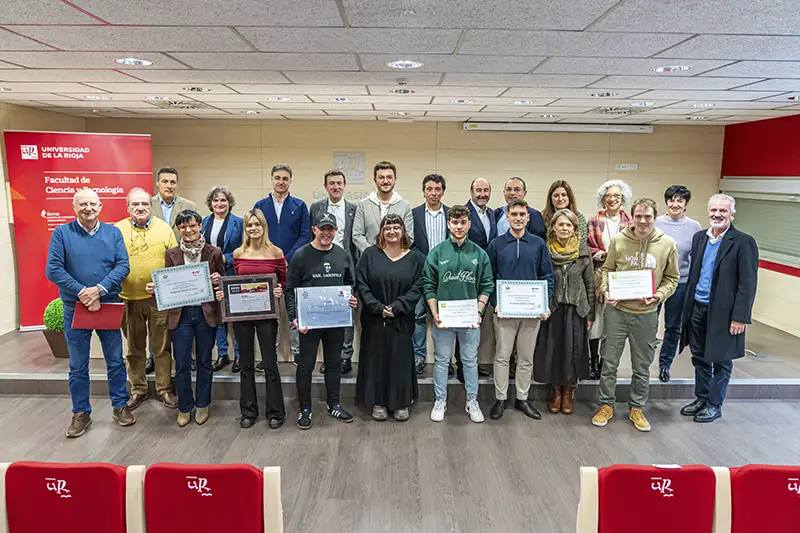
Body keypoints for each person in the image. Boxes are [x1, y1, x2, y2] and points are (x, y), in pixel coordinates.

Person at [45, 188, 134, 438]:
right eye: (82, 204)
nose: (88, 208)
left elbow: (123, 265)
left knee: (115, 360)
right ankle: (81, 413)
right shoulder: (62, 233)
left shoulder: (113, 232)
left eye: (93, 204)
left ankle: (120, 405)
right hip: (75, 308)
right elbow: (53, 269)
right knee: (78, 365)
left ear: (100, 206)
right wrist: (83, 292)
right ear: (74, 208)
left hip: (108, 304)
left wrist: (100, 289)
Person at [592, 198, 679, 432]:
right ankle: (606, 405)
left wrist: (658, 296)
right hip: (617, 312)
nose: (642, 220)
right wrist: (607, 290)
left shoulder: (667, 244)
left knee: (642, 366)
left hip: (647, 314)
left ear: (654, 217)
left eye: (647, 216)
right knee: (609, 363)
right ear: (631, 217)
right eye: (638, 216)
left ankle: (637, 408)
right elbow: (608, 269)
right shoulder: (620, 240)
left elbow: (672, 278)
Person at [679, 195, 758, 423]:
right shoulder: (699, 238)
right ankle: (702, 398)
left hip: (724, 314)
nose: (717, 214)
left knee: (722, 361)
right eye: (713, 209)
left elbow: (748, 283)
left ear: (732, 215)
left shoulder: (743, 242)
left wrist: (740, 317)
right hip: (697, 308)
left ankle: (715, 404)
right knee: (699, 357)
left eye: (723, 210)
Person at [146, 210, 225, 427]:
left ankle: (202, 404)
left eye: (192, 226)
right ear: (179, 230)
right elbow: (169, 284)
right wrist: (156, 289)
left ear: (200, 225)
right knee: (181, 363)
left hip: (204, 313)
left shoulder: (214, 252)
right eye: (183, 227)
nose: (188, 230)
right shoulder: (171, 253)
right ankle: (185, 406)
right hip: (179, 315)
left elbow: (223, 281)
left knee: (204, 362)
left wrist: (220, 280)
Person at [285, 211, 358, 430]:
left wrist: (352, 300)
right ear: (314, 230)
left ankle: (334, 404)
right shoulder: (301, 255)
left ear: (336, 231)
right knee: (305, 365)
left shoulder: (343, 255)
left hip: (334, 321)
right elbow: (290, 290)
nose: (326, 233)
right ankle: (305, 409)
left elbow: (350, 285)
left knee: (334, 363)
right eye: (322, 228)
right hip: (309, 322)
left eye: (330, 229)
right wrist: (294, 318)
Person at [423, 205, 493, 424]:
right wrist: (434, 313)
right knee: (442, 361)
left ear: (469, 224)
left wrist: (479, 311)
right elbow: (428, 284)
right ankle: (440, 400)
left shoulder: (479, 254)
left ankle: (472, 401)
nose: (459, 226)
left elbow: (487, 285)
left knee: (470, 360)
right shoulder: (437, 252)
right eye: (455, 222)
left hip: (470, 319)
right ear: (448, 224)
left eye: (463, 222)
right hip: (443, 320)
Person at [487, 200, 553, 421]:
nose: (517, 217)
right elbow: (489, 278)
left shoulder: (538, 244)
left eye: (521, 214)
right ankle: (500, 398)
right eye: (513, 214)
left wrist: (545, 304)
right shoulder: (496, 244)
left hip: (531, 312)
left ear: (528, 217)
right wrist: (495, 302)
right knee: (502, 356)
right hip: (504, 311)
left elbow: (547, 277)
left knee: (526, 357)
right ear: (507, 216)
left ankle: (522, 398)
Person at [114, 188, 178, 411]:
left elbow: (175, 263)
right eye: (135, 204)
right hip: (127, 298)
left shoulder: (164, 229)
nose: (140, 208)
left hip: (158, 299)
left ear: (151, 206)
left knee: (161, 346)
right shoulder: (117, 230)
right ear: (128, 207)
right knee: (134, 347)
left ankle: (164, 389)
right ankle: (138, 389)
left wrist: (162, 284)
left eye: (144, 204)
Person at [356, 214, 424, 421]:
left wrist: (397, 307)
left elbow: (418, 286)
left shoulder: (415, 257)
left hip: (401, 320)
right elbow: (361, 284)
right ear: (381, 232)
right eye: (387, 227)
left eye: (396, 227)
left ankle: (401, 402)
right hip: (375, 319)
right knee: (375, 359)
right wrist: (378, 308)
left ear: (403, 231)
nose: (392, 231)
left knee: (400, 361)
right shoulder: (369, 255)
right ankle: (378, 402)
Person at [534, 209, 595, 415]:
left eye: (569, 225)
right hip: (553, 309)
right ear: (553, 227)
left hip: (577, 309)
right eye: (560, 224)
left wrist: (591, 314)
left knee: (572, 351)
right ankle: (556, 392)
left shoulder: (584, 252)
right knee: (553, 351)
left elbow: (589, 285)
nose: (564, 228)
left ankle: (568, 392)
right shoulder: (545, 250)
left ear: (575, 229)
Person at [232, 209, 287, 429]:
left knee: (270, 363)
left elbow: (284, 281)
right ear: (245, 228)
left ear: (264, 227)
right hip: (242, 316)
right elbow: (233, 283)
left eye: (257, 224)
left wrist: (279, 290)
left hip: (267, 315)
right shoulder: (238, 253)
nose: (253, 228)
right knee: (245, 364)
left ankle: (275, 411)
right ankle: (248, 411)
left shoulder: (275, 252)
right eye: (249, 225)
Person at [253, 164, 309, 368]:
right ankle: (270, 355)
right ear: (271, 180)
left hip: (293, 265)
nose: (281, 182)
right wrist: (272, 257)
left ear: (290, 181)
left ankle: (297, 352)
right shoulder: (260, 206)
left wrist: (286, 257)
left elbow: (305, 235)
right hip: (267, 266)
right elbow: (255, 233)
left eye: (285, 178)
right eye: (277, 178)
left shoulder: (299, 205)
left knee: (295, 310)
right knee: (269, 313)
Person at [310, 169, 358, 375]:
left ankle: (345, 356)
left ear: (344, 186)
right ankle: (329, 357)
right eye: (332, 183)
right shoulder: (316, 207)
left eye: (339, 183)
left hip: (346, 266)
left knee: (347, 310)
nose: (336, 187)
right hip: (321, 265)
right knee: (324, 310)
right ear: (325, 186)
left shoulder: (354, 209)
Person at [149, 167, 197, 374]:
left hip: (182, 271)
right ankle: (154, 356)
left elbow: (193, 234)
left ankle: (187, 357)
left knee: (184, 316)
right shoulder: (146, 205)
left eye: (173, 182)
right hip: (156, 268)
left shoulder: (188, 205)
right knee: (157, 321)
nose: (169, 186)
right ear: (157, 183)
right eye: (165, 181)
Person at [653, 185, 702, 383]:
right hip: (655, 282)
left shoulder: (694, 226)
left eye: (680, 200)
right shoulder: (655, 223)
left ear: (686, 204)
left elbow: (696, 257)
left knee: (674, 327)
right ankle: (643, 363)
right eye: (671, 200)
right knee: (649, 324)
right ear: (666, 202)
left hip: (680, 283)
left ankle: (665, 365)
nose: (675, 204)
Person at [586, 180, 633, 379]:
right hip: (597, 274)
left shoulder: (630, 222)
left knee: (612, 322)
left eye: (617, 196)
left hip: (621, 278)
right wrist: (604, 256)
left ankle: (606, 361)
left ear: (623, 199)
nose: (612, 199)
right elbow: (587, 247)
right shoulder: (595, 220)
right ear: (602, 199)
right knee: (595, 320)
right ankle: (593, 361)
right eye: (609, 196)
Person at [201, 185, 243, 373]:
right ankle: (222, 354)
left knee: (235, 316)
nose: (219, 203)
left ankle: (239, 355)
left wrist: (227, 257)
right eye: (216, 200)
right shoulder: (202, 222)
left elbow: (246, 248)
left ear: (229, 202)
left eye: (223, 200)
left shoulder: (239, 223)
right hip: (209, 275)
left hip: (232, 272)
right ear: (211, 203)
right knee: (216, 315)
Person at [411, 174, 449, 375]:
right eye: (430, 189)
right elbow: (409, 244)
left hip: (446, 277)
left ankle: (445, 358)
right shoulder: (414, 214)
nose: (433, 193)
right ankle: (418, 356)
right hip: (420, 274)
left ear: (443, 191)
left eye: (437, 189)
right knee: (417, 316)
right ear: (424, 191)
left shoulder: (451, 214)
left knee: (444, 317)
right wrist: (428, 261)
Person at [353, 160, 414, 254]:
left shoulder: (405, 206)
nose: (385, 181)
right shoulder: (363, 205)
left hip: (396, 259)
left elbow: (409, 237)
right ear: (375, 180)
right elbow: (357, 235)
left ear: (395, 179)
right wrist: (372, 253)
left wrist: (391, 254)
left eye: (389, 177)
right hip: (370, 260)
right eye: (381, 177)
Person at [542, 180, 588, 245]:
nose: (560, 198)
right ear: (550, 198)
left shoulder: (579, 218)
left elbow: (582, 242)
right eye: (556, 195)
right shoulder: (542, 217)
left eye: (564, 195)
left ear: (569, 197)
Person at [465, 177, 496, 250]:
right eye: (478, 190)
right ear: (471, 192)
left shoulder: (492, 214)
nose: (482, 194)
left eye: (486, 190)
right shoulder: (463, 213)